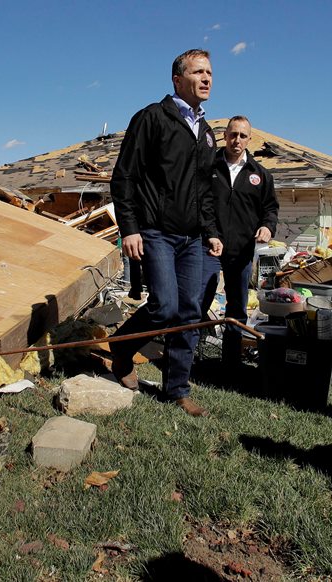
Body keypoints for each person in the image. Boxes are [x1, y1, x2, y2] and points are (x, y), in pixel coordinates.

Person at [109, 48, 222, 417]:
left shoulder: (206, 134)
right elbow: (124, 175)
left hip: (192, 238)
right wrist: (130, 228)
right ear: (177, 79)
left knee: (190, 312)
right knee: (164, 306)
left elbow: (205, 191)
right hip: (155, 231)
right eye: (198, 72)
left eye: (209, 72)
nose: (206, 78)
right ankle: (122, 348)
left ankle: (177, 390)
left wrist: (211, 231)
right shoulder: (152, 118)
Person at [200, 116, 279, 368]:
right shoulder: (208, 168)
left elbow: (270, 209)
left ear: (249, 139)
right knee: (199, 301)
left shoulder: (260, 175)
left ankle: (230, 364)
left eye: (243, 136)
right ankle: (191, 357)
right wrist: (211, 233)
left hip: (241, 251)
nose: (237, 140)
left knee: (236, 309)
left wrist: (267, 226)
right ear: (225, 136)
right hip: (209, 247)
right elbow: (201, 205)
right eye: (233, 134)